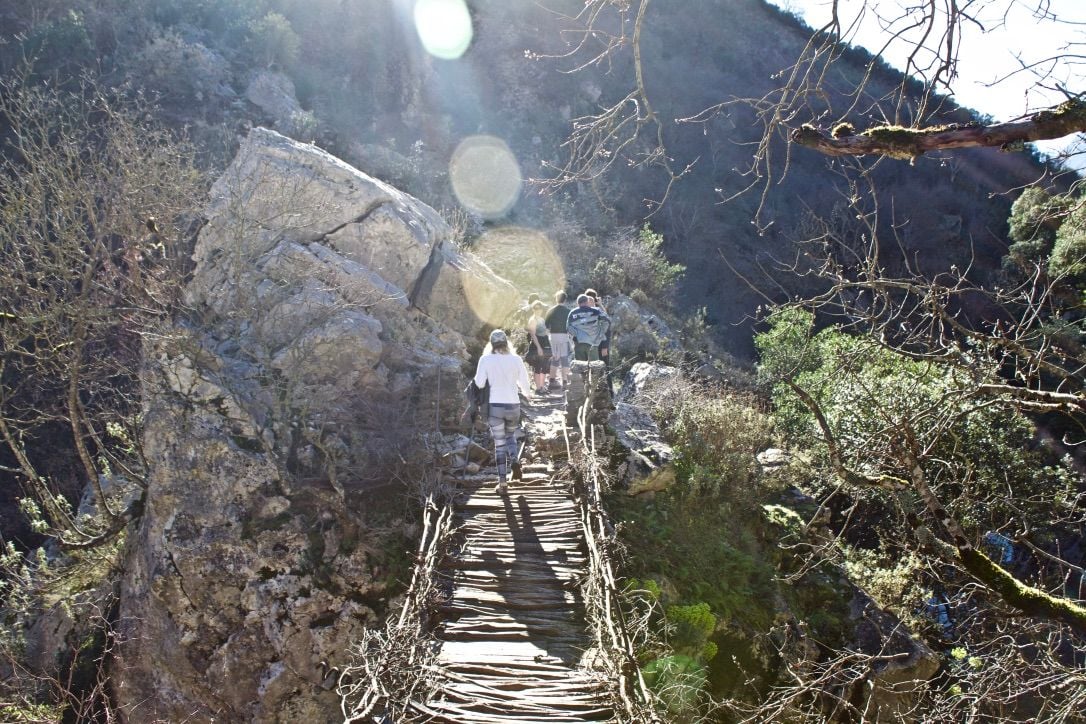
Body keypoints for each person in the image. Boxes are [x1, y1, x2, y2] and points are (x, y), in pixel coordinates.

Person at [473, 329, 532, 495]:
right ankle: (514, 459)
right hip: (513, 405)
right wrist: (528, 394)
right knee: (510, 435)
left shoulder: (485, 359)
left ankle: (503, 483)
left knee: (500, 444)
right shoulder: (516, 359)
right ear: (506, 343)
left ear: (491, 344)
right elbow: (524, 382)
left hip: (495, 406)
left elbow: (480, 383)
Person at [566, 293, 610, 362]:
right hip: (593, 343)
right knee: (594, 367)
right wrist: (601, 332)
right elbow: (607, 321)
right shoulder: (596, 311)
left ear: (578, 303)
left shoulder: (572, 312)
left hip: (578, 343)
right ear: (587, 302)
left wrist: (577, 334)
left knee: (580, 366)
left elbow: (568, 327)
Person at [544, 290, 572, 389]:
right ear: (565, 300)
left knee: (555, 358)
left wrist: (548, 339)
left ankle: (551, 380)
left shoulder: (550, 310)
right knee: (565, 359)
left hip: (553, 336)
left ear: (556, 299)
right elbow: (570, 327)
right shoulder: (568, 312)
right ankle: (565, 382)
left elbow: (546, 327)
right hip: (564, 336)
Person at [524, 300, 551, 395]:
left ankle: (542, 387)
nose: (538, 310)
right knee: (538, 366)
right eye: (536, 308)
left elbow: (545, 332)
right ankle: (538, 388)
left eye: (539, 308)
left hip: (545, 343)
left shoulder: (541, 319)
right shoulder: (533, 320)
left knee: (544, 366)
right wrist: (539, 348)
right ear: (533, 309)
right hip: (537, 345)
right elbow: (533, 335)